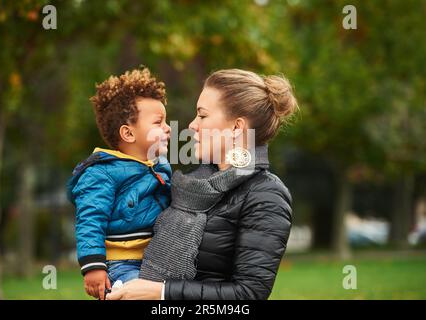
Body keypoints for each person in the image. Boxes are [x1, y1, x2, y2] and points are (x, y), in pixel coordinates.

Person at [107, 68, 298, 300]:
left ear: (237, 127)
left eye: (203, 115)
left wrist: (162, 293)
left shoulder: (267, 195)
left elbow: (249, 295)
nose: (192, 125)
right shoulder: (191, 184)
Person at [66, 68, 172, 300]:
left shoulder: (161, 167)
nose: (168, 128)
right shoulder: (101, 173)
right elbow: (90, 219)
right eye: (158, 122)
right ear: (128, 133)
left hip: (157, 258)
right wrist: (93, 265)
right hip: (120, 264)